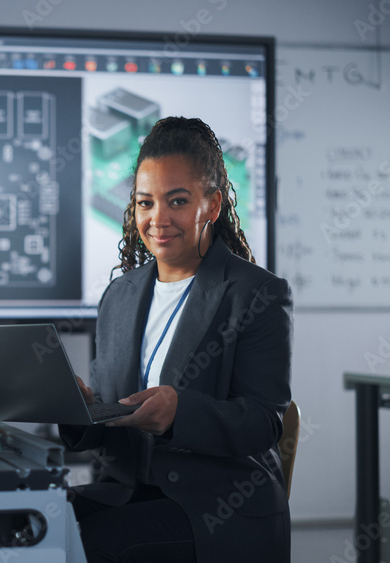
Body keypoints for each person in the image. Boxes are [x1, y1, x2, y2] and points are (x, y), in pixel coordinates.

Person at [61, 116, 292, 562]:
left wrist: (178, 414)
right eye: (146, 203)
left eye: (178, 201)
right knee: (30, 522)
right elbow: (113, 417)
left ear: (213, 205)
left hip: (218, 507)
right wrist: (78, 409)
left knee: (86, 546)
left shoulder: (256, 293)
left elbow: (263, 422)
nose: (158, 219)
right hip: (127, 490)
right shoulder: (119, 295)